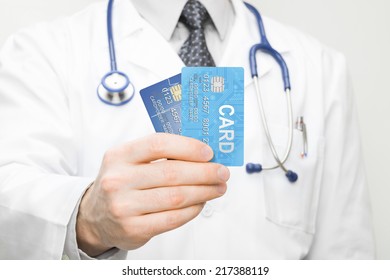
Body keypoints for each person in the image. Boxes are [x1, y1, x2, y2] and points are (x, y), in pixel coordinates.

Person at [0, 0, 375, 260]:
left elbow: (346, 254)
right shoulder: (42, 52)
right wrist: (86, 219)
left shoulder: (321, 68)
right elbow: (9, 200)